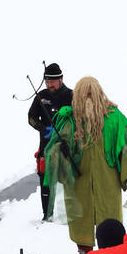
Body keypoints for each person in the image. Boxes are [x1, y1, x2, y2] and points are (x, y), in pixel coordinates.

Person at [42, 76, 127, 254]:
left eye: (92, 93)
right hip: (79, 187)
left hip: (108, 184)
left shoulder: (114, 119)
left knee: (111, 230)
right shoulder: (69, 120)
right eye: (85, 94)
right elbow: (52, 153)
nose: (88, 97)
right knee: (82, 231)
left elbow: (126, 147)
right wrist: (60, 151)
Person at [27, 62, 74, 220]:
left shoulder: (71, 95)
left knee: (69, 179)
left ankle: (70, 214)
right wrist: (42, 128)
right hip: (46, 145)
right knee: (46, 180)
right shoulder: (41, 96)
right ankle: (47, 214)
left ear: (60, 79)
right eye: (46, 82)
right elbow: (31, 118)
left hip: (67, 146)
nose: (48, 85)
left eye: (52, 82)